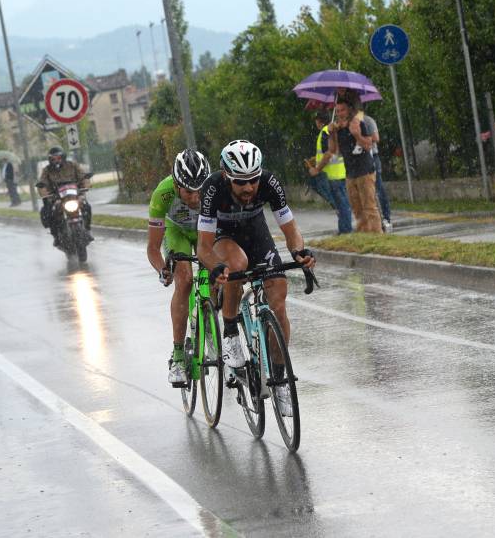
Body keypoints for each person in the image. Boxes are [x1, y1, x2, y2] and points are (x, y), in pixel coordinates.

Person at [197, 140, 316, 416]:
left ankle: (279, 378)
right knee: (236, 264)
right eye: (241, 182)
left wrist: (298, 251)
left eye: (252, 180)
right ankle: (230, 333)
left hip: (255, 233)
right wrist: (216, 267)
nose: (249, 188)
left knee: (279, 302)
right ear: (227, 176)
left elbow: (290, 229)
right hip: (223, 236)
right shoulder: (212, 188)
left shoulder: (269, 182)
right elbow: (203, 246)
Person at [147, 149, 210, 387]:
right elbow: (153, 247)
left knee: (217, 276)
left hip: (206, 231)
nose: (195, 198)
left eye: (199, 191)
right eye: (187, 192)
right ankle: (178, 356)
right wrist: (162, 269)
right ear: (176, 184)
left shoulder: (214, 187)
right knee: (184, 281)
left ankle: (213, 325)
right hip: (177, 233)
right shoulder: (162, 195)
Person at [327, 100, 383, 233]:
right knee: (357, 208)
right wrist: (331, 134)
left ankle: (377, 234)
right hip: (350, 173)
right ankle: (364, 234)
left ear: (349, 111)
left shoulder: (358, 124)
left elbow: (368, 145)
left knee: (369, 206)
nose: (340, 113)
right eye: (338, 111)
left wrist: (357, 134)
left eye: (343, 110)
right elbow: (333, 150)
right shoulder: (338, 130)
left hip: (365, 170)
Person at [38, 146, 92, 248]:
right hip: (57, 198)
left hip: (75, 195)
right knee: (49, 212)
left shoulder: (72, 165)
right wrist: (46, 193)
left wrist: (85, 186)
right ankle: (56, 237)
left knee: (87, 207)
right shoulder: (47, 170)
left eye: (58, 158)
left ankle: (88, 229)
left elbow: (83, 176)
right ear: (50, 160)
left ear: (63, 157)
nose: (56, 161)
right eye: (53, 159)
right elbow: (42, 183)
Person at [309, 111, 353, 234]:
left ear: (319, 121)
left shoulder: (325, 132)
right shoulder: (332, 131)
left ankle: (345, 231)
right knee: (341, 203)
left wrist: (316, 169)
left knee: (341, 204)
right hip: (339, 173)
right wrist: (316, 160)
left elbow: (328, 154)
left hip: (333, 175)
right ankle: (344, 229)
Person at [363, 114, 392, 232]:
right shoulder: (347, 123)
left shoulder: (368, 120)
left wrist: (360, 137)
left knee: (378, 188)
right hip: (359, 160)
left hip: (372, 157)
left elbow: (376, 137)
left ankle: (386, 217)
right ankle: (372, 220)